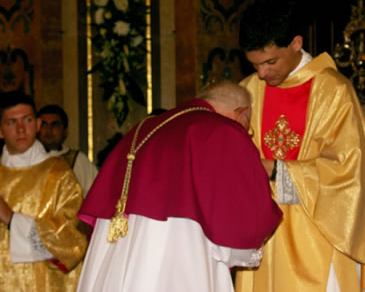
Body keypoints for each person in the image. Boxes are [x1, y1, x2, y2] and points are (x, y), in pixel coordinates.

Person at [234, 1, 365, 291]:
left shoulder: (332, 90)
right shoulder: (248, 90)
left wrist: (275, 170)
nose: (262, 74)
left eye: (270, 62)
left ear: (296, 43)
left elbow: (348, 172)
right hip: (264, 240)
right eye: (255, 64)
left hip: (320, 237)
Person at [76, 81, 283, 292]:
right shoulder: (221, 129)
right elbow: (242, 219)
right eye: (247, 129)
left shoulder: (143, 128)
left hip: (117, 256)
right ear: (242, 113)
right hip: (178, 252)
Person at [0, 91, 87, 292]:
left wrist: (12, 219)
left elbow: (73, 242)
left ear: (38, 125)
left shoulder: (59, 174)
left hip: (46, 284)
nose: (21, 129)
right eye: (12, 123)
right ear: (1, 131)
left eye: (27, 120)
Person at [37, 104, 98, 197]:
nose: (48, 130)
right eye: (44, 125)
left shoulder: (79, 160)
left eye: (55, 125)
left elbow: (95, 196)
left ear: (65, 131)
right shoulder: (27, 159)